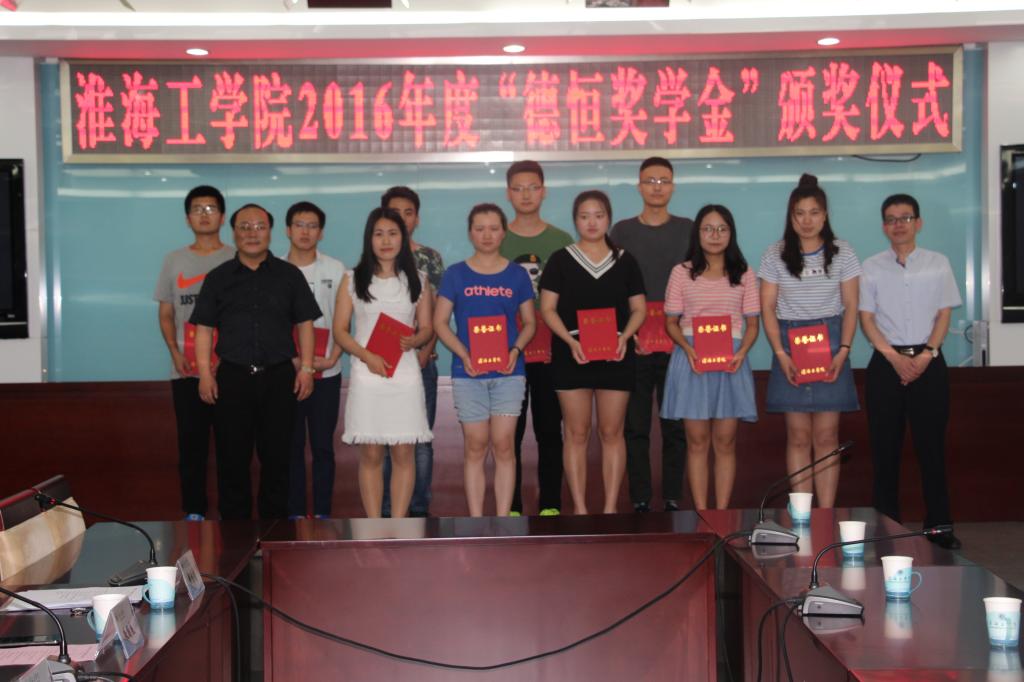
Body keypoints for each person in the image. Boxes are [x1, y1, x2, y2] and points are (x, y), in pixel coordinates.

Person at [190, 203, 321, 520]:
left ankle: (274, 533)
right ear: (233, 232)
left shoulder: (289, 276)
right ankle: (235, 536)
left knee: (277, 459)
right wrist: (205, 374)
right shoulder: (218, 278)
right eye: (245, 227)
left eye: (260, 227)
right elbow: (204, 329)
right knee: (231, 460)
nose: (252, 233)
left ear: (271, 232)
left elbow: (305, 324)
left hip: (279, 379)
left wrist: (306, 369)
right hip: (232, 379)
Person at [859, 193, 963, 550]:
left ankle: (940, 527)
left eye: (905, 218)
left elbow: (944, 313)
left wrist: (927, 353)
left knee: (931, 448)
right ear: (883, 226)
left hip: (928, 363)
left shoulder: (938, 263)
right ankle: (886, 528)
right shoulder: (871, 267)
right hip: (886, 365)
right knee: (884, 450)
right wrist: (893, 357)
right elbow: (866, 318)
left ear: (918, 223)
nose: (898, 225)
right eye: (891, 219)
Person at [539, 190, 646, 515]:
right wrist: (569, 342)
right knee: (576, 433)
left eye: (598, 215)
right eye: (584, 216)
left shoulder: (625, 260)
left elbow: (639, 309)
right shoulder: (560, 259)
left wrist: (625, 336)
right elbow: (547, 308)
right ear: (575, 220)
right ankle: (581, 511)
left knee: (612, 432)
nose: (592, 222)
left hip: (616, 354)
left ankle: (611, 509)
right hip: (572, 354)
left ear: (608, 218)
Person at [759, 174, 861, 509]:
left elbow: (851, 306)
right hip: (789, 346)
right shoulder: (775, 254)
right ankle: (803, 514)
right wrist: (780, 353)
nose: (807, 220)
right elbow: (767, 307)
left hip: (831, 344)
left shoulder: (843, 251)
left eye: (814, 212)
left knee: (827, 436)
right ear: (791, 217)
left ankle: (826, 513)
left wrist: (843, 350)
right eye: (799, 213)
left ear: (825, 215)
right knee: (799, 436)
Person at [434, 204, 536, 516]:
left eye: (493, 228)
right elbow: (440, 323)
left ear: (503, 232)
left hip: (509, 372)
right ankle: (475, 520)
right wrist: (463, 354)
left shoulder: (517, 274)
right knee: (475, 444)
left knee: (504, 444)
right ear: (470, 233)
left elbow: (530, 323)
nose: (487, 235)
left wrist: (515, 350)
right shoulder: (455, 274)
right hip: (468, 373)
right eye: (480, 229)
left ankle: (504, 519)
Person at [334, 207, 434, 518]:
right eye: (379, 234)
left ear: (403, 238)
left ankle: (400, 525)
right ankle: (374, 526)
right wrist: (367, 356)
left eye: (393, 233)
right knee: (371, 453)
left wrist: (415, 340)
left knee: (404, 452)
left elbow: (427, 328)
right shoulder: (352, 279)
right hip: (368, 375)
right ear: (369, 239)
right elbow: (340, 330)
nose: (386, 241)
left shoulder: (419, 280)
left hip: (404, 375)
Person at [661, 205, 760, 510]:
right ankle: (703, 514)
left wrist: (742, 351)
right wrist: (687, 348)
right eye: (708, 229)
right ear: (698, 233)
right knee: (697, 442)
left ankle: (722, 514)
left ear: (731, 233)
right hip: (692, 360)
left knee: (725, 442)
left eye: (722, 229)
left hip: (731, 361)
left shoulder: (744, 272)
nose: (715, 235)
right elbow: (671, 322)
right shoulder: (681, 272)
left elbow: (752, 324)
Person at [610, 156, 692, 513]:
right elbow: (614, 286)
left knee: (675, 425)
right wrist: (626, 332)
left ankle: (673, 496)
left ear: (673, 186)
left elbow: (698, 283)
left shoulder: (689, 230)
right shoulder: (622, 232)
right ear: (639, 186)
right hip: (635, 341)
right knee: (636, 425)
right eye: (650, 181)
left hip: (679, 341)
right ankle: (640, 498)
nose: (657, 187)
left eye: (664, 181)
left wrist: (687, 334)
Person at [154, 185, 234, 521]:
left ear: (223, 217)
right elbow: (166, 313)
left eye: (211, 208)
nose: (204, 214)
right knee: (191, 446)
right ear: (188, 218)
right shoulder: (174, 260)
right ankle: (194, 512)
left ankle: (233, 515)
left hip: (229, 369)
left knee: (232, 446)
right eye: (197, 209)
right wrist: (174, 352)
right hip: (185, 368)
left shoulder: (235, 258)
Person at [500, 160, 574, 516]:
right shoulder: (497, 238)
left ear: (543, 192)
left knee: (549, 431)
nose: (526, 195)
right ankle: (511, 505)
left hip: (551, 352)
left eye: (532, 187)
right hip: (507, 352)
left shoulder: (561, 241)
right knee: (508, 434)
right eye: (518, 188)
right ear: (508, 193)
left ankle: (550, 505)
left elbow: (572, 300)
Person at [380, 186, 443, 518]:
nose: (402, 219)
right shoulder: (371, 261)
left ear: (416, 218)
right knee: (385, 440)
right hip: (382, 365)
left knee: (420, 441)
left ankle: (418, 511)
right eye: (395, 212)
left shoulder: (429, 258)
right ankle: (387, 512)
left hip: (421, 362)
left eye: (408, 212)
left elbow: (438, 314)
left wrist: (424, 352)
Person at [284, 201, 346, 520]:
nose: (305, 232)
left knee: (323, 446)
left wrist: (334, 356)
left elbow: (344, 319)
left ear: (321, 233)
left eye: (312, 226)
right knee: (291, 446)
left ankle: (323, 513)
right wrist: (295, 360)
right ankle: (294, 513)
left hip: (329, 370)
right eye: (299, 225)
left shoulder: (336, 269)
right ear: (288, 230)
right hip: (288, 371)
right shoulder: (275, 269)